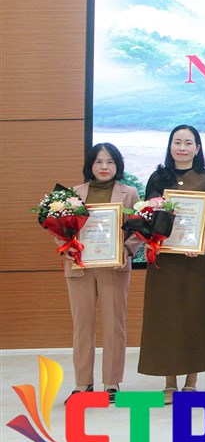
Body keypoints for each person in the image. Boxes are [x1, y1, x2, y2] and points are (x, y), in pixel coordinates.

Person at [138, 125, 205, 404]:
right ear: (170, 146)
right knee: (166, 317)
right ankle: (169, 382)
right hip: (164, 258)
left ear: (197, 148)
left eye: (188, 143)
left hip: (193, 258)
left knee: (194, 314)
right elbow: (147, 213)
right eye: (177, 142)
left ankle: (191, 381)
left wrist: (199, 239)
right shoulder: (158, 177)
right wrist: (154, 236)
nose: (182, 147)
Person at [65, 143, 141, 403]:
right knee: (82, 327)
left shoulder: (129, 193)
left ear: (118, 165)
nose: (104, 166)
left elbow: (139, 228)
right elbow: (61, 229)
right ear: (90, 165)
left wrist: (128, 249)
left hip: (114, 268)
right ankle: (82, 384)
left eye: (110, 161)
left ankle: (111, 383)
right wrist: (65, 246)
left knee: (114, 326)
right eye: (99, 161)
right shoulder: (73, 194)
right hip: (80, 268)